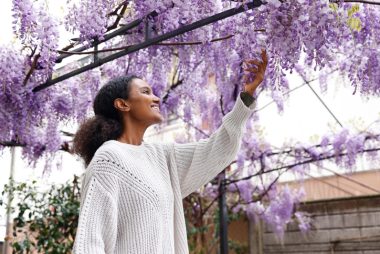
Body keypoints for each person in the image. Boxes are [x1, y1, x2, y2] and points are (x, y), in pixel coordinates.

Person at [72, 49, 268, 254]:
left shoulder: (163, 157)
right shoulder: (109, 158)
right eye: (145, 92)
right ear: (122, 104)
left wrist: (246, 96)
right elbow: (90, 242)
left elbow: (219, 149)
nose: (156, 98)